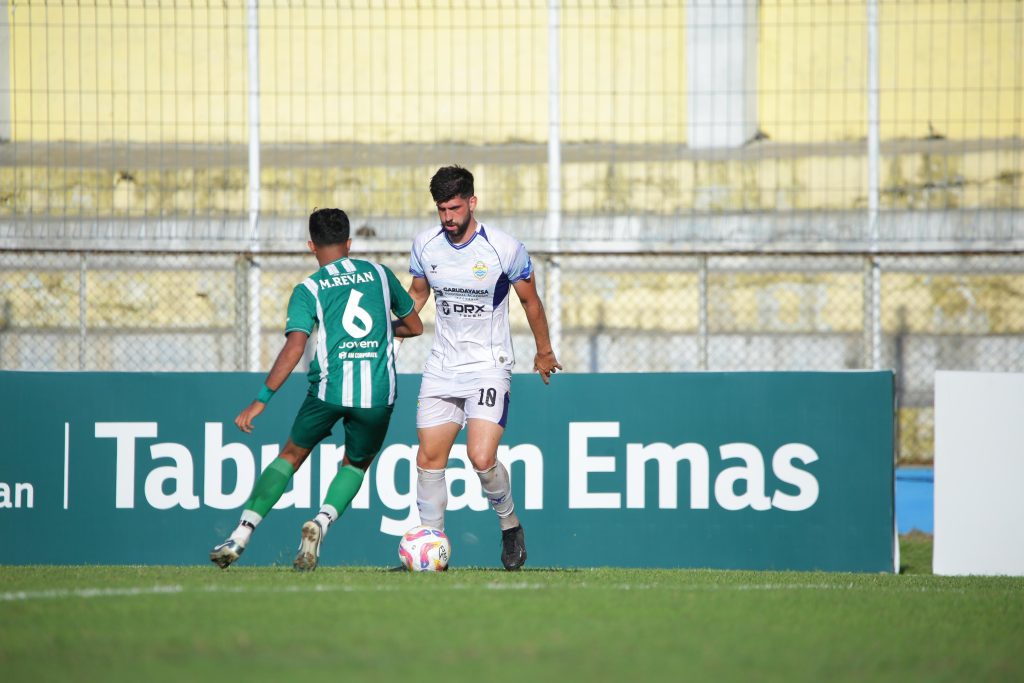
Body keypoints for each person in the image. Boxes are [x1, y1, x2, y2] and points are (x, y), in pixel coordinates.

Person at [210, 208, 423, 571]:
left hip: (328, 389)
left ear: (311, 245)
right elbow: (414, 326)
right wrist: (381, 334)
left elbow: (295, 347)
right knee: (356, 463)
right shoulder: (379, 274)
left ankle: (241, 533)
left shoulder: (308, 288)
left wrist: (261, 401)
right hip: (376, 391)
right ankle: (321, 523)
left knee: (291, 455)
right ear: (350, 243)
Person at [407, 165, 561, 571]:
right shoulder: (425, 245)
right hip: (442, 366)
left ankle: (510, 525)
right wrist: (397, 326)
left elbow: (530, 301)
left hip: (488, 367)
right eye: (441, 209)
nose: (448, 218)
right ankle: (431, 547)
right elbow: (417, 296)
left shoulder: (503, 248)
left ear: (472, 202)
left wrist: (543, 351)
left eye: (454, 208)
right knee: (429, 457)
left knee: (480, 455)